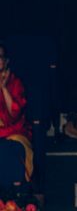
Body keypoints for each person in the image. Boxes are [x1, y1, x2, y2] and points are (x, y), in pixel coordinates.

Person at [0, 43, 33, 185]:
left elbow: (14, 114)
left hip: (13, 132)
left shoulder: (15, 82)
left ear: (6, 61)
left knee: (9, 149)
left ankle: (14, 191)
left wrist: (3, 88)